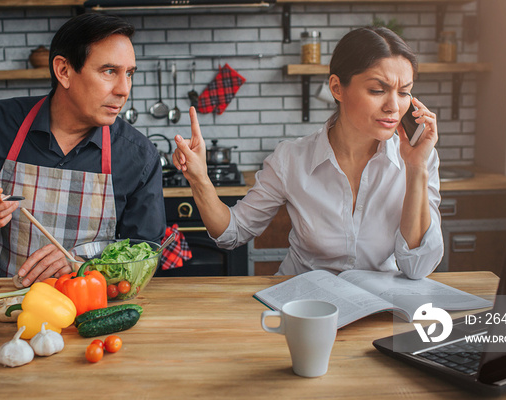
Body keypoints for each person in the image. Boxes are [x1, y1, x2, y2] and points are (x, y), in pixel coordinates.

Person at [172, 27, 443, 278]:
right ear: (337, 87)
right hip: (303, 308)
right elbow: (233, 232)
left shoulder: (419, 158)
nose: (394, 107)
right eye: (377, 90)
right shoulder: (291, 159)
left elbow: (416, 267)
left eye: (404, 92)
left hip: (378, 310)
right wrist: (199, 179)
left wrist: (417, 168)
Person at [0, 13, 166, 285]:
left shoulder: (138, 155)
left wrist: (85, 262)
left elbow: (144, 254)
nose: (124, 89)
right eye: (109, 71)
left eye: (129, 74)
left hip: (86, 308)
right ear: (63, 71)